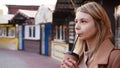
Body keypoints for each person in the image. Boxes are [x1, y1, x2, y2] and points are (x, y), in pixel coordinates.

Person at [61, 1, 120, 68]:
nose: (76, 27)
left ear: (100, 25)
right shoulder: (78, 56)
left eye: (83, 21)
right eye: (76, 21)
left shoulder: (116, 58)